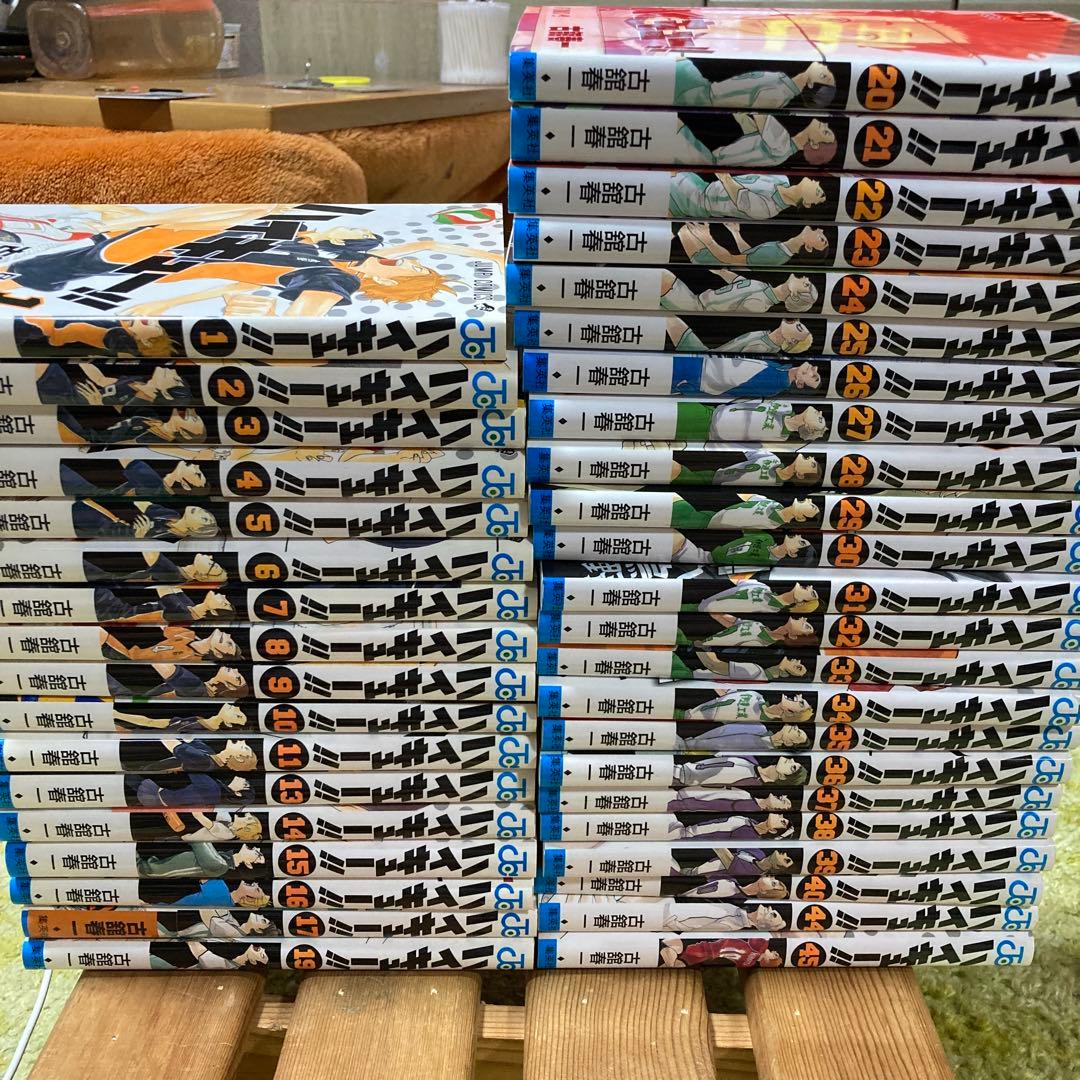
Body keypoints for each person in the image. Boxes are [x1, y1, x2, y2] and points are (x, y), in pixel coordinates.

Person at [675, 113, 837, 169]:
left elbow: (758, 109)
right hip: (707, 155)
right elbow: (753, 133)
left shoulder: (782, 142)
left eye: (825, 132)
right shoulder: (783, 150)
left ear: (814, 144)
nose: (825, 124)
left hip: (704, 155)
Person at [674, 60, 836, 110]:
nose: (825, 67)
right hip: (698, 86)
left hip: (694, 93)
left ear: (811, 85)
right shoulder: (782, 80)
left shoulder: (779, 95)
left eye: (824, 75)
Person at [668, 172, 827, 222]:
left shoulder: (769, 209)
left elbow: (737, 195)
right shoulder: (781, 178)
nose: (817, 182)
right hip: (701, 184)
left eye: (818, 192)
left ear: (807, 204)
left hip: (697, 201)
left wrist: (723, 175)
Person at [678, 220, 830, 269]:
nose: (821, 230)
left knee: (680, 226)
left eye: (822, 240)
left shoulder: (776, 255)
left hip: (706, 257)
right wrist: (736, 233)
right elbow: (750, 255)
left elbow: (729, 260)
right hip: (710, 254)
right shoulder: (782, 249)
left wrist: (707, 238)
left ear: (808, 248)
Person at [660, 268, 818, 314]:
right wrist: (721, 272)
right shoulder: (763, 287)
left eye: (806, 285)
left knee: (662, 276)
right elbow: (739, 282)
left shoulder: (761, 304)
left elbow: (726, 312)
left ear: (795, 295)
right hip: (696, 300)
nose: (806, 278)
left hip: (695, 307)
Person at [72, 500, 220, 541]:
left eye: (205, 518)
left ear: (196, 530)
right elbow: (140, 502)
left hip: (93, 526)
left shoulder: (170, 540)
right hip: (98, 511)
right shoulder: (172, 514)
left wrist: (136, 538)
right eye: (206, 512)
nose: (202, 511)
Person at [671, 448, 822, 488]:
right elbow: (743, 449)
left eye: (812, 464)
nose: (811, 457)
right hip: (712, 471)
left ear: (800, 475)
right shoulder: (772, 458)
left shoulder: (773, 488)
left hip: (713, 489)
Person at [681, 357, 822, 398]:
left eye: (814, 377)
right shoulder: (781, 367)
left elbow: (736, 384)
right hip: (707, 364)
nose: (814, 368)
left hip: (702, 373)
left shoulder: (777, 383)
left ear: (800, 384)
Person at [671, 493, 821, 531]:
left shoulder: (772, 525)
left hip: (705, 524)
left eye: (812, 506)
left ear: (801, 518)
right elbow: (747, 497)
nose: (809, 500)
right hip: (711, 511)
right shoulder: (775, 503)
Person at [58, 406, 207, 445]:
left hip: (85, 440)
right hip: (90, 427)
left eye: (194, 419)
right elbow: (122, 410)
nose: (191, 411)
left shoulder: (154, 442)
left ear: (185, 433)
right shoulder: (153, 418)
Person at [102, 626, 240, 663]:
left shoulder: (190, 660)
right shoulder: (188, 634)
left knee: (98, 632)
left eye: (229, 643)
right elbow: (163, 627)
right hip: (129, 643)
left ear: (218, 654)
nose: (229, 635)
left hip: (127, 658)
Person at [678, 691, 815, 725]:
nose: (798, 696)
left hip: (687, 722)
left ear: (791, 713)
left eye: (801, 703)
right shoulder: (757, 695)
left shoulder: (758, 725)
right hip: (687, 708)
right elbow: (724, 693)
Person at [689, 580, 820, 615]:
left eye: (813, 593)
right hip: (695, 599)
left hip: (698, 614)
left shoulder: (769, 611)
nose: (810, 586)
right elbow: (736, 580)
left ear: (801, 603)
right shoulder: (763, 586)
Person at [673, 755, 809, 788]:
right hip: (677, 768)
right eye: (794, 761)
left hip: (678, 780)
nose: (791, 760)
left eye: (793, 767)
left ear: (784, 777)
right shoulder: (750, 759)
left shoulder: (751, 785)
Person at [675, 723, 810, 755]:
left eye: (798, 733)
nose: (796, 727)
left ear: (789, 743)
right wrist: (693, 741)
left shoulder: (765, 754)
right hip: (686, 743)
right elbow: (723, 729)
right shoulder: (759, 728)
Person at [661, 936, 783, 968]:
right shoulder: (752, 960)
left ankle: (669, 952)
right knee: (687, 952)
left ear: (770, 960)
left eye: (775, 954)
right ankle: (669, 951)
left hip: (713, 952)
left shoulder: (760, 948)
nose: (774, 951)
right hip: (714, 949)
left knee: (686, 956)